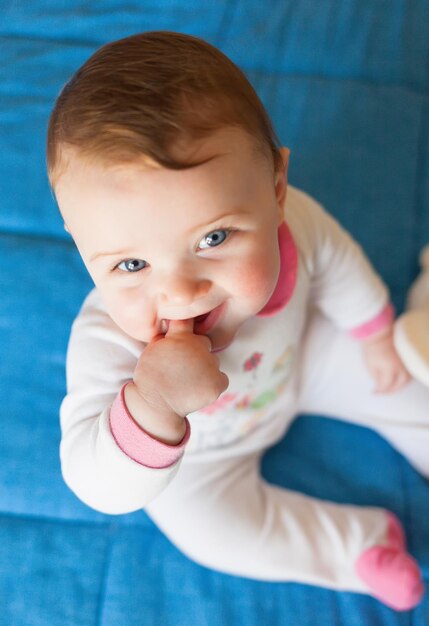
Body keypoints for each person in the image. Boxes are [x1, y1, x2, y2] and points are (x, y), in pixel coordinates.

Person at [47, 31, 427, 611]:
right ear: (83, 249)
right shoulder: (107, 341)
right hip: (204, 460)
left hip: (302, 359)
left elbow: (339, 261)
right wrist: (154, 404)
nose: (180, 291)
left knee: (405, 379)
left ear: (276, 190)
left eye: (214, 237)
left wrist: (374, 331)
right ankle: (356, 549)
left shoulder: (294, 223)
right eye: (131, 263)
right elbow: (96, 483)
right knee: (212, 533)